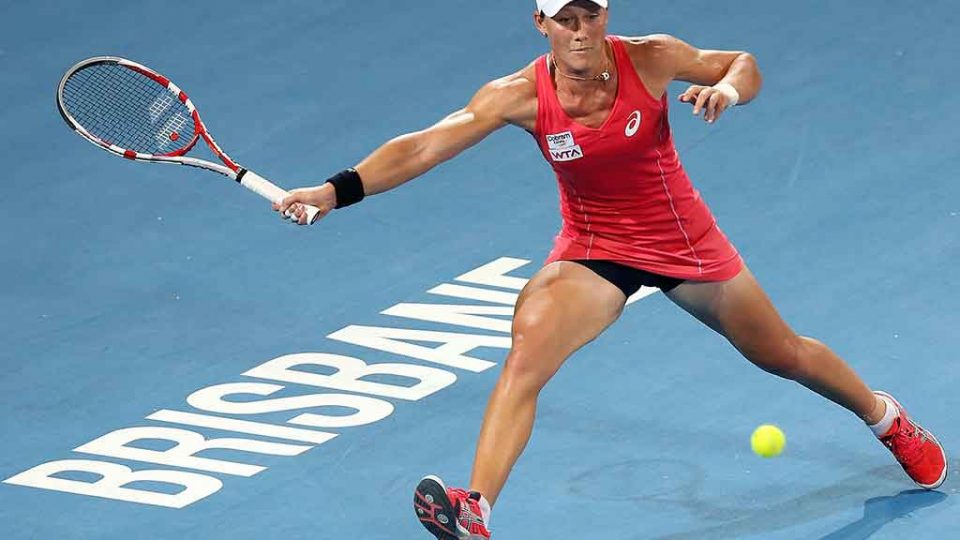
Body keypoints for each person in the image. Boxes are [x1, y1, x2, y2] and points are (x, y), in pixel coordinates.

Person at [275, 1, 948, 538]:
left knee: (784, 355)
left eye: (589, 13)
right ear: (540, 23)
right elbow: (423, 146)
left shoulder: (651, 59)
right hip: (594, 249)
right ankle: (475, 507)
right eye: (563, 17)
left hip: (683, 243)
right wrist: (334, 191)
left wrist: (729, 94)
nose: (578, 28)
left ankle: (884, 417)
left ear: (605, 15)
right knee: (528, 348)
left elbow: (740, 63)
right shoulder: (514, 95)